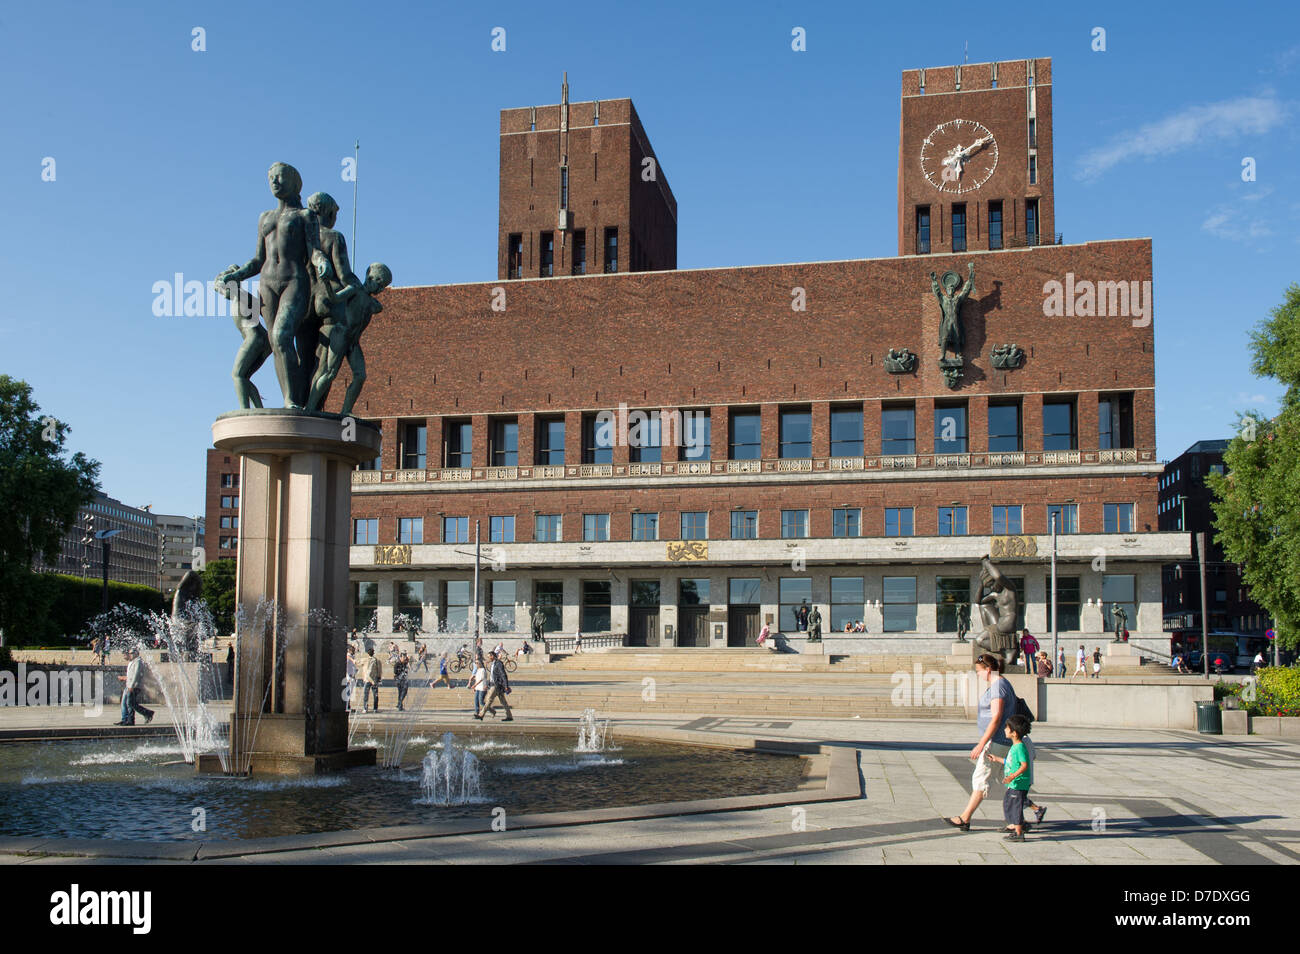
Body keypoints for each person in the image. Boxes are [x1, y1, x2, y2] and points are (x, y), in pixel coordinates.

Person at [943, 653, 1016, 831]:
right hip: (1001, 740)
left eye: (978, 671)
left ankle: (965, 817)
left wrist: (981, 743)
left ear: (988, 669)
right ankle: (1025, 814)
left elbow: (996, 717)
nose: (977, 674)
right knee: (1008, 780)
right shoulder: (1001, 683)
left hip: (996, 741)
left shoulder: (998, 686)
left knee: (981, 778)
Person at [987, 714, 1033, 841]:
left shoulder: (1020, 747)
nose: (1004, 730)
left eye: (1007, 728)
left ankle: (1019, 832)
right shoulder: (1015, 746)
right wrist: (996, 758)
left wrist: (1012, 776)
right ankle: (1015, 826)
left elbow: (1024, 765)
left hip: (1018, 784)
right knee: (1008, 804)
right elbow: (1010, 762)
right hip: (1013, 784)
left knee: (1015, 807)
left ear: (1014, 732)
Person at [115, 648, 155, 726]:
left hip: (134, 686)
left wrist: (132, 685)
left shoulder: (138, 662)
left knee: (130, 703)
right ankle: (127, 719)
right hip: (130, 685)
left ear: (136, 653)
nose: (130, 654)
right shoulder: (134, 661)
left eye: (131, 653)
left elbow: (136, 674)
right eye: (129, 653)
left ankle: (143, 715)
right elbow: (131, 675)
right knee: (128, 703)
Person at [475, 650, 513, 721]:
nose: (488, 658)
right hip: (493, 684)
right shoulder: (493, 664)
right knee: (503, 702)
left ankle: (481, 714)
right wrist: (488, 684)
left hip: (496, 685)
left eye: (489, 657)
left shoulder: (498, 663)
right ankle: (509, 716)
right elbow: (492, 676)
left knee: (488, 699)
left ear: (492, 656)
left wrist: (506, 685)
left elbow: (503, 674)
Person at [344, 645, 357, 713]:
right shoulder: (348, 655)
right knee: (347, 693)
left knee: (349, 693)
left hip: (352, 677)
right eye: (352, 650)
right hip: (348, 676)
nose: (354, 651)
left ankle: (347, 706)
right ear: (349, 650)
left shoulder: (352, 656)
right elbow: (347, 656)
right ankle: (346, 707)